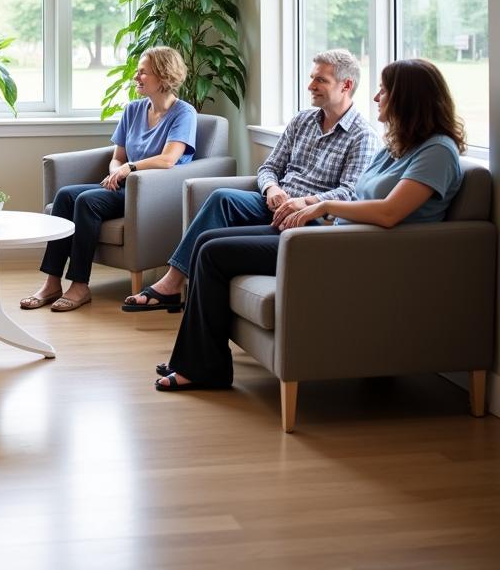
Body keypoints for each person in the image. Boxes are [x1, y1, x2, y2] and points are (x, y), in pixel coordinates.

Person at [155, 58, 465, 392]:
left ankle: (203, 369)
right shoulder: (400, 146)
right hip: (333, 237)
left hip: (347, 250)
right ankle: (197, 362)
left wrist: (321, 204)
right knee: (208, 242)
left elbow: (389, 213)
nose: (376, 97)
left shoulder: (437, 153)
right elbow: (359, 194)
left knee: (214, 252)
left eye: (384, 91)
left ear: (409, 98)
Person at [123, 48, 377, 312]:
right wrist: (272, 188)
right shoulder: (302, 120)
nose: (311, 85)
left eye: (320, 80)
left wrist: (304, 202)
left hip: (310, 217)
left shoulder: (362, 136)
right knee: (222, 198)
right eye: (312, 78)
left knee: (215, 244)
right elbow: (268, 167)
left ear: (346, 85)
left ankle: (178, 288)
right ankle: (175, 281)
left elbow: (350, 193)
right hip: (274, 202)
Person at [21, 46, 198, 313]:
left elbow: (169, 159)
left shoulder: (184, 113)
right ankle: (52, 282)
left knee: (87, 202)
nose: (136, 77)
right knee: (66, 195)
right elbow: (117, 156)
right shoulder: (133, 110)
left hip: (152, 192)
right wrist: (116, 171)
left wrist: (129, 168)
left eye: (142, 73)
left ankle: (80, 286)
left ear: (163, 76)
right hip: (123, 185)